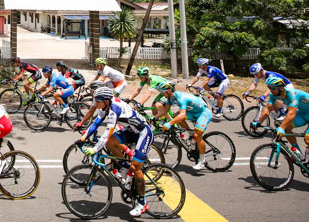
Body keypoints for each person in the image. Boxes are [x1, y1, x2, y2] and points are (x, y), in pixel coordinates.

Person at [80, 87, 153, 217]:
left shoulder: (115, 109)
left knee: (136, 167)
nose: (95, 104)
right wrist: (83, 138)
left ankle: (142, 204)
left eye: (98, 101)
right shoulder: (106, 107)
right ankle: (124, 167)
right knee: (110, 143)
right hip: (131, 130)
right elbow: (96, 124)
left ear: (106, 101)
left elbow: (108, 132)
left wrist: (95, 148)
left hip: (143, 133)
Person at [253, 76, 309, 165]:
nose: (271, 90)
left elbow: (291, 113)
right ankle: (298, 153)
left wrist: (281, 127)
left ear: (281, 88)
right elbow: (268, 109)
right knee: (286, 128)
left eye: (273, 88)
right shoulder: (273, 95)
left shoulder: (292, 94)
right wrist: (258, 122)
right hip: (304, 113)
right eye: (269, 87)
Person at [153, 81, 212, 170]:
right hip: (192, 112)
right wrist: (154, 118)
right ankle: (190, 132)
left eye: (162, 92)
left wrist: (170, 123)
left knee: (197, 135)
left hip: (203, 113)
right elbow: (165, 111)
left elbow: (183, 115)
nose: (161, 94)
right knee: (175, 116)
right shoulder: (170, 98)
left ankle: (202, 160)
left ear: (169, 91)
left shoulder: (181, 98)